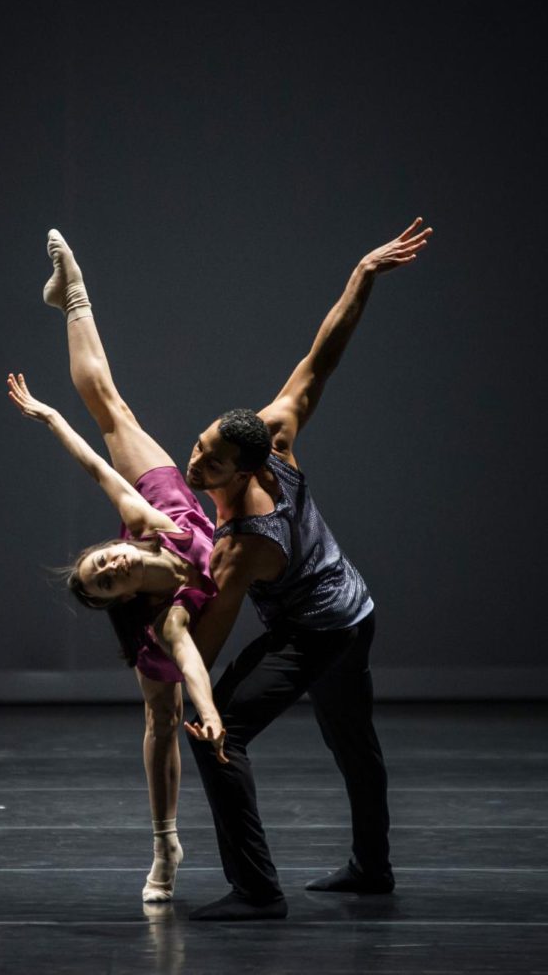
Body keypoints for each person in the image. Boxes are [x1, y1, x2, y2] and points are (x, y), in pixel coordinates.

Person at [183, 218, 433, 920]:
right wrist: (362, 273)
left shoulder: (244, 544)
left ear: (249, 468)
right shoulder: (274, 427)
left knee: (218, 733)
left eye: (210, 463)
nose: (195, 463)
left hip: (319, 629)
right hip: (355, 610)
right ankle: (372, 869)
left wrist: (183, 695)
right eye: (200, 446)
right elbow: (324, 356)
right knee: (352, 738)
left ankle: (257, 891)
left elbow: (210, 636)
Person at [7, 230, 228, 904]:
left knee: (109, 403)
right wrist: (208, 710)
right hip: (178, 588)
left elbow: (96, 462)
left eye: (95, 562)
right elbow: (190, 660)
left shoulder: (141, 521)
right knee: (160, 722)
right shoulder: (160, 622)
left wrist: (47, 415)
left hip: (173, 515)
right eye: (106, 579)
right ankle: (166, 846)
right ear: (121, 592)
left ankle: (70, 291)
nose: (103, 563)